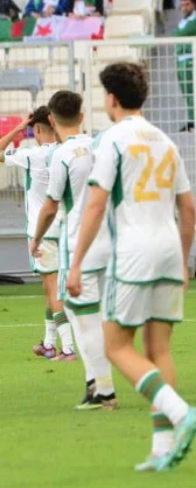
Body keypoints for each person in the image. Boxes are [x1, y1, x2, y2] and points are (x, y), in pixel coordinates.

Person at [66, 62, 196, 472]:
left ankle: (180, 413)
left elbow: (95, 203)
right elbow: (189, 210)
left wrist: (75, 265)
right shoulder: (165, 140)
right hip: (166, 250)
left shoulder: (112, 139)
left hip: (132, 252)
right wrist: (182, 262)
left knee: (115, 347)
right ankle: (163, 447)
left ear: (111, 98)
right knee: (158, 348)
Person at [29, 90, 117, 410]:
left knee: (80, 317)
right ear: (82, 116)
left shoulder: (61, 155)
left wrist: (36, 239)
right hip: (109, 241)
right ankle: (101, 383)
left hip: (77, 246)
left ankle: (100, 387)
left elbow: (52, 205)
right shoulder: (101, 145)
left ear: (51, 120)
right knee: (104, 316)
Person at [0, 108, 75, 361]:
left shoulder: (32, 155)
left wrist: (19, 127)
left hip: (42, 232)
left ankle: (67, 348)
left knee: (52, 289)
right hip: (63, 228)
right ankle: (50, 344)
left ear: (37, 129)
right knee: (49, 288)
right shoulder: (65, 151)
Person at [173, 0, 196, 133]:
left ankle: (194, 121)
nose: (184, 8)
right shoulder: (185, 21)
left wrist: (176, 32)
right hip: (181, 59)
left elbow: (177, 34)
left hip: (188, 59)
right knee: (186, 92)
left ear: (193, 5)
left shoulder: (195, 21)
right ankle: (191, 120)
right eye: (182, 5)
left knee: (190, 91)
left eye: (187, 5)